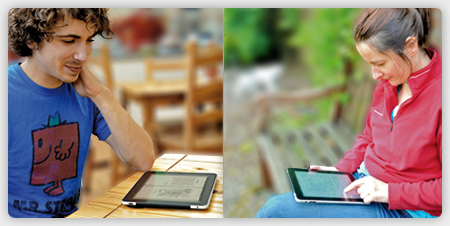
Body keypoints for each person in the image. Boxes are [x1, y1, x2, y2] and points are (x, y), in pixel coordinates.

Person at [255, 8, 441, 218]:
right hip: (364, 185)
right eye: (370, 64)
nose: (374, 74)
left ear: (410, 45)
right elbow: (369, 137)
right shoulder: (390, 82)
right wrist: (341, 170)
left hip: (404, 210)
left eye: (379, 63)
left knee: (275, 213)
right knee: (277, 209)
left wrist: (389, 192)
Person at [8, 8, 155, 218]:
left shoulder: (88, 92)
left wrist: (101, 95)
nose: (83, 55)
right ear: (32, 40)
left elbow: (143, 160)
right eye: (69, 40)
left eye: (88, 40)